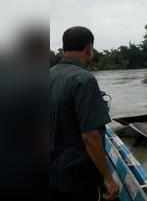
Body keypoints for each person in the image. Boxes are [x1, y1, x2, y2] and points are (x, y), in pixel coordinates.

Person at [49, 26, 119, 201]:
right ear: (88, 49)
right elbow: (91, 137)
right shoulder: (84, 79)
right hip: (76, 176)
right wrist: (108, 178)